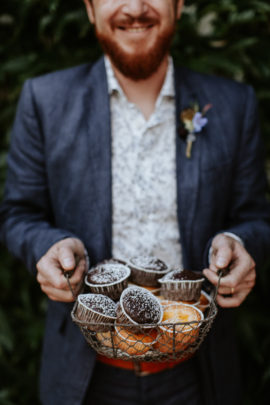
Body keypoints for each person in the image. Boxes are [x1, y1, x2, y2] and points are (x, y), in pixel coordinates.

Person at [1, 0, 270, 404]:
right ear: (90, 9)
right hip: (85, 377)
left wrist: (241, 242)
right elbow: (18, 213)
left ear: (179, 5)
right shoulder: (44, 100)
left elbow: (256, 216)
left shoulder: (234, 105)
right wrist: (47, 246)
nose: (135, 6)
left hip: (199, 373)